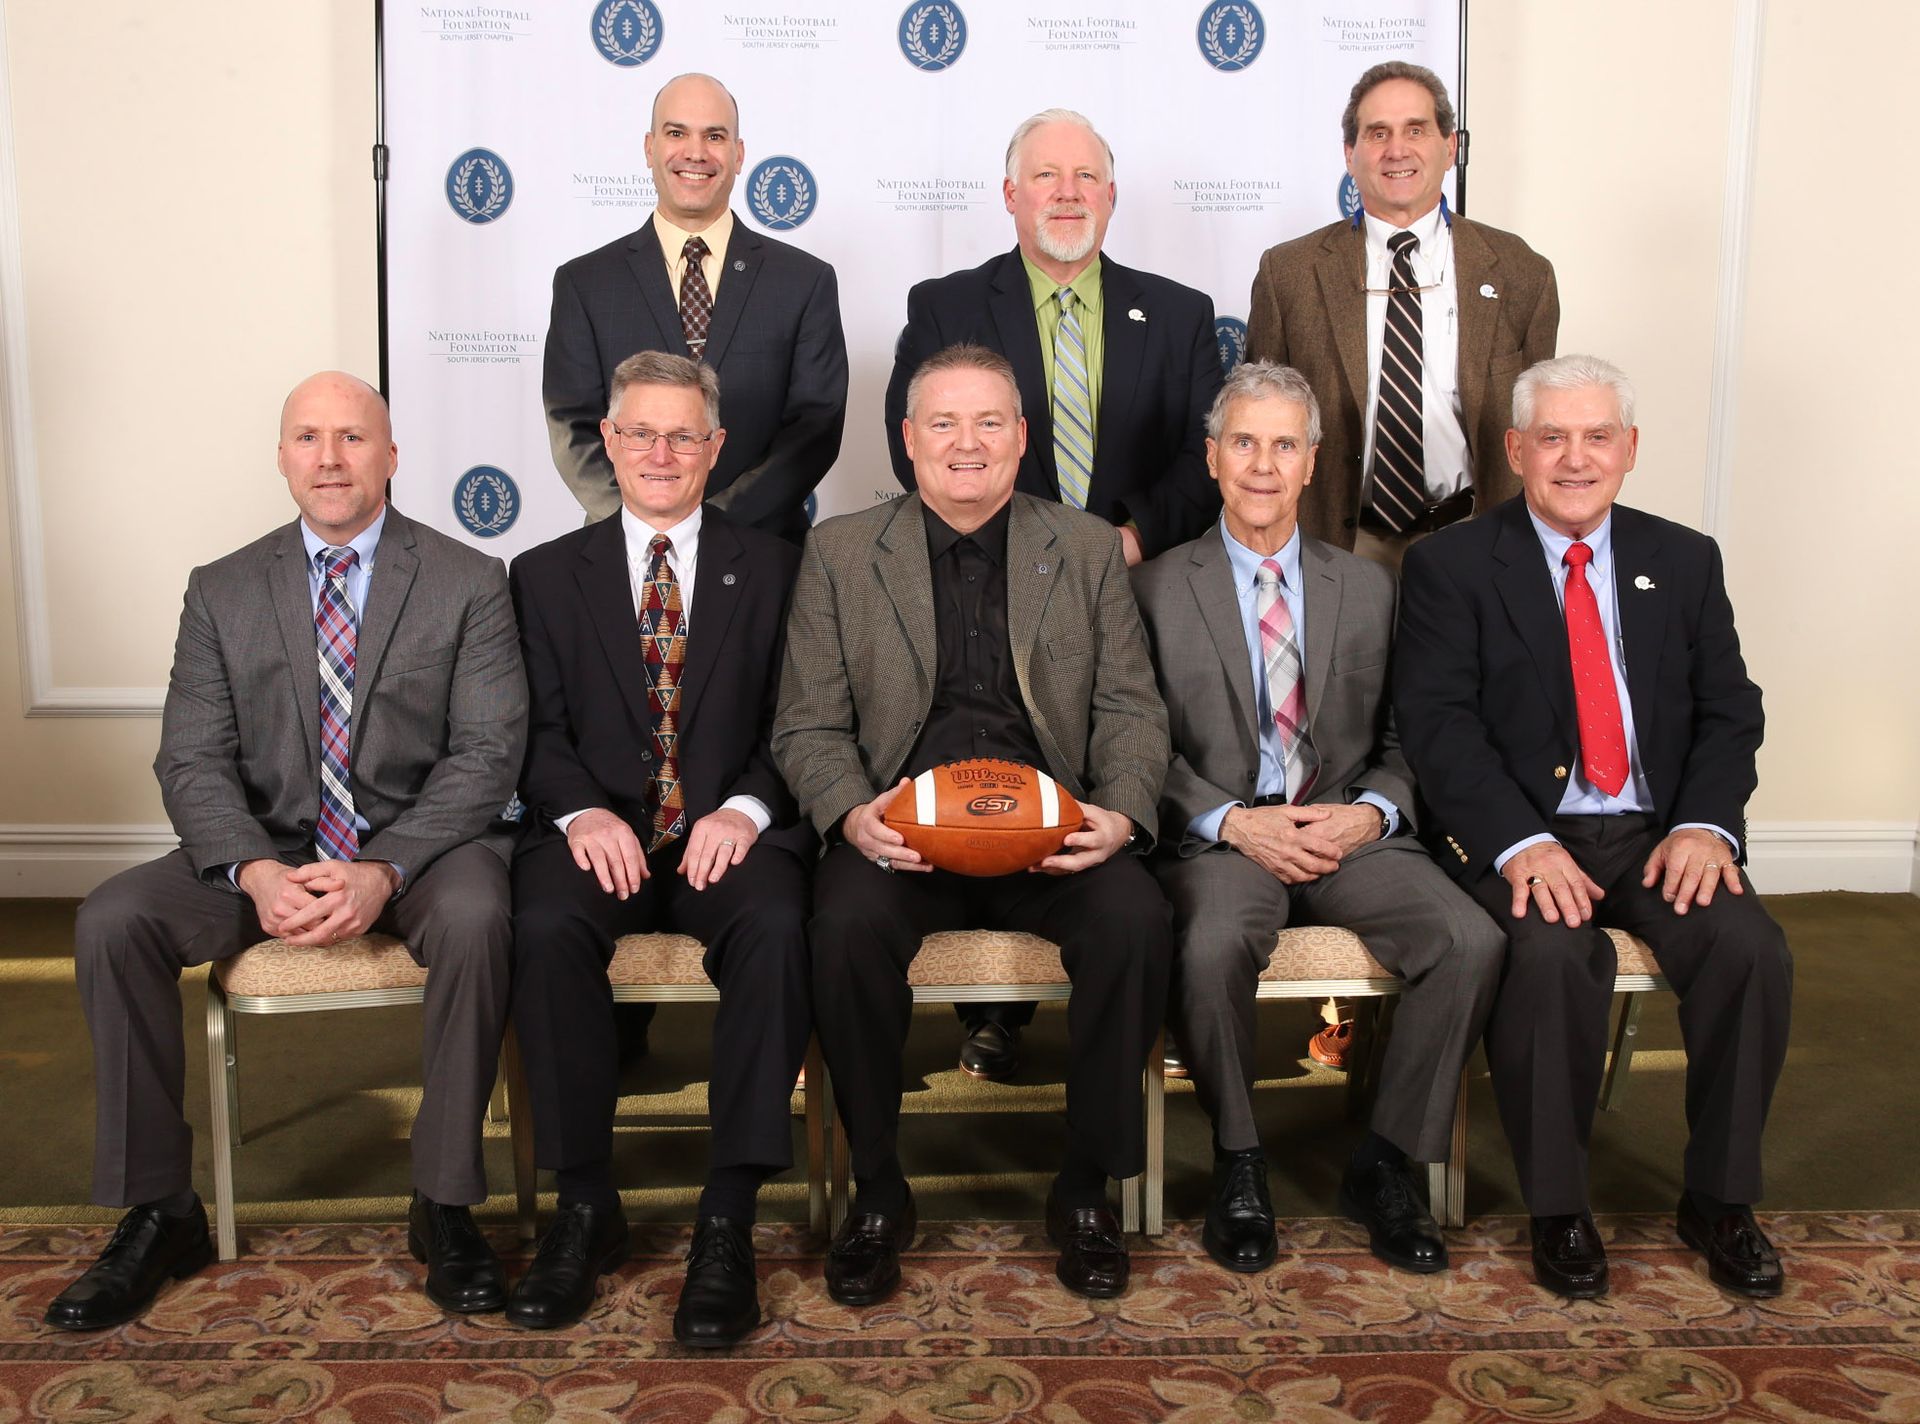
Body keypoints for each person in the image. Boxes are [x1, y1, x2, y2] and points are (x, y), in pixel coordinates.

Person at [47, 372, 527, 1331]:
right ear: (281, 457)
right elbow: (188, 756)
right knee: (114, 918)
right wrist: (256, 872)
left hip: (419, 852)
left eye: (353, 438)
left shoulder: (469, 579)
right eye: (308, 438)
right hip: (264, 849)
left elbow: (488, 752)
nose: (330, 458)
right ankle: (159, 1209)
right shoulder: (222, 589)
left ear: (392, 456)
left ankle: (444, 1201)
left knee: (481, 915)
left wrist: (383, 867)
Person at [774, 344, 1172, 1304]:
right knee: (844, 928)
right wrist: (850, 811)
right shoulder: (839, 552)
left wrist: (1118, 814)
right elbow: (808, 723)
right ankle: (878, 1186)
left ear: (1022, 437)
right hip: (904, 828)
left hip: (1050, 825)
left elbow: (1130, 708)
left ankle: (1086, 1188)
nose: (967, 443)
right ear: (908, 440)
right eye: (943, 423)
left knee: (1136, 919)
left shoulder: (1080, 546)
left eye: (989, 421)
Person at [1393, 354, 1792, 1300]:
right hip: (1526, 834)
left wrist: (1703, 826)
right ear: (1516, 449)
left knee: (1751, 951)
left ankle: (1721, 1200)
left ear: (1631, 449)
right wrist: (1524, 844)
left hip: (1659, 834)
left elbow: (1731, 711)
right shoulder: (1450, 565)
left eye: (1597, 436)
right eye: (1554, 438)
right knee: (1552, 960)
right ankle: (1560, 1208)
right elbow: (1439, 728)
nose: (1576, 459)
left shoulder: (1685, 559)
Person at [1132, 361, 1502, 1275]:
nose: (1264, 465)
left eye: (1284, 445)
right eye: (1245, 443)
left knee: (1470, 938)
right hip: (1223, 840)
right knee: (1212, 944)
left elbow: (1414, 737)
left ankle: (1383, 1163)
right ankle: (1240, 1160)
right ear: (1213, 459)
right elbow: (1134, 747)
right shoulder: (1149, 589)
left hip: (1345, 829)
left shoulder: (1373, 588)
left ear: (1313, 463)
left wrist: (1373, 815)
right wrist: (1226, 822)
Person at [881, 107, 1220, 1075]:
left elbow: (1202, 462)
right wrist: (1037, 544)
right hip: (990, 578)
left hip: (1137, 576)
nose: (1066, 192)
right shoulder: (946, 302)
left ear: (1111, 196)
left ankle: (1149, 996)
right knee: (992, 751)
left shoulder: (1182, 310)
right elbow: (929, 449)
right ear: (1011, 195)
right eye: (1046, 176)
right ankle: (997, 1009)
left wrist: (1124, 537)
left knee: (1116, 749)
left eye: (1085, 177)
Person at [506, 352, 811, 1345]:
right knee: (544, 920)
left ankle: (729, 1214)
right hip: (601, 835)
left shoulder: (776, 566)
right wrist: (577, 814)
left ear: (716, 447)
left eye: (685, 433)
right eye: (641, 431)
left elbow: (800, 722)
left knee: (775, 919)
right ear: (610, 440)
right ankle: (585, 1202)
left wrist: (750, 810)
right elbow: (536, 734)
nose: (662, 452)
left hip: (725, 834)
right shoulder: (546, 575)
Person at [1246, 62, 1558, 571]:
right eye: (1377, 133)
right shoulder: (1289, 273)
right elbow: (1262, 424)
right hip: (1334, 546)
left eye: (1416, 130)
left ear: (1450, 146)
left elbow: (1541, 431)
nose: (1397, 150)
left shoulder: (1523, 273)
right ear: (1350, 154)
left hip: (1474, 537)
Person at [543, 72, 848, 543]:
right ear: (649, 149)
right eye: (676, 133)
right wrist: (647, 527)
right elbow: (572, 426)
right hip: (624, 554)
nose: (696, 152)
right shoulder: (585, 283)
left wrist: (715, 527)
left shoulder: (804, 282)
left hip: (764, 554)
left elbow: (814, 429)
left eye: (715, 136)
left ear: (739, 154)